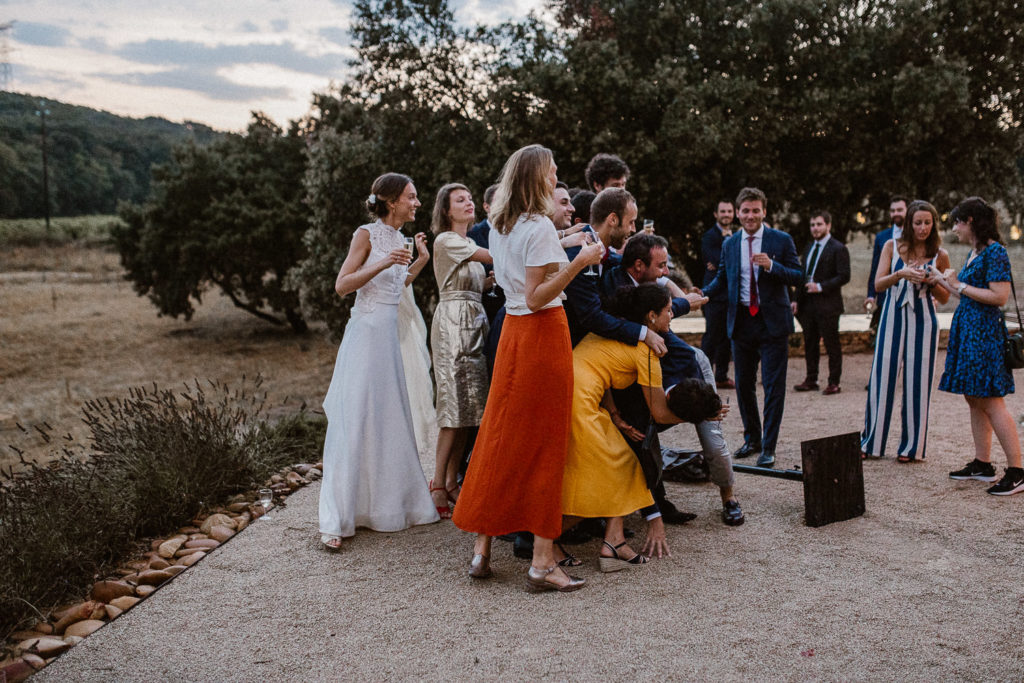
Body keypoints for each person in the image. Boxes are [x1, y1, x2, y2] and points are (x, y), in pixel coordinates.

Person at [451, 144, 603, 593]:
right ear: (538, 178)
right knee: (544, 443)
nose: (557, 177)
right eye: (553, 172)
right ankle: (541, 561)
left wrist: (565, 241)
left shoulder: (502, 224)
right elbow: (539, 295)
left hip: (513, 334)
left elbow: (522, 265)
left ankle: (482, 549)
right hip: (540, 331)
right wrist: (579, 261)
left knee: (501, 435)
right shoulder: (536, 226)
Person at [562, 284, 725, 570]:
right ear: (651, 316)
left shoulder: (624, 329)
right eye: (668, 310)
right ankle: (543, 538)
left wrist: (613, 413)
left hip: (578, 389)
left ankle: (613, 543)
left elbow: (600, 366)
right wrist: (699, 417)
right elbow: (660, 413)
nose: (672, 314)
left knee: (620, 465)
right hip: (579, 398)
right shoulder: (648, 350)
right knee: (621, 467)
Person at [318, 173, 440, 551]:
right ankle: (338, 518)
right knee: (355, 417)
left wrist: (419, 260)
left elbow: (396, 285)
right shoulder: (366, 235)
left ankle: (387, 507)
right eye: (411, 197)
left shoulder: (400, 239)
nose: (417, 203)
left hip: (387, 339)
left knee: (387, 417)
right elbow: (343, 285)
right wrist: (385, 260)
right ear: (391, 201)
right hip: (366, 334)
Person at [605, 234, 744, 526]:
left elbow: (667, 411)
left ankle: (729, 497)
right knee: (643, 434)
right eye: (662, 265)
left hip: (691, 374)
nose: (666, 271)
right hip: (650, 376)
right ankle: (654, 505)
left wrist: (707, 409)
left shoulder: (681, 356)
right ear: (639, 266)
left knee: (712, 435)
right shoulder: (621, 287)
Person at [702, 187, 803, 468]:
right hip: (742, 321)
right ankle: (752, 439)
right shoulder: (730, 244)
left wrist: (772, 266)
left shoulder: (780, 240)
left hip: (773, 323)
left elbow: (797, 276)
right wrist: (703, 295)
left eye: (755, 210)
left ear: (764, 212)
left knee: (773, 386)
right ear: (737, 213)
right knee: (744, 386)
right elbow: (722, 278)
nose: (750, 215)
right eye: (745, 210)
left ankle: (768, 447)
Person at [933, 197, 1023, 495]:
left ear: (970, 221)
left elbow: (998, 297)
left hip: (984, 335)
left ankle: (1018, 470)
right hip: (969, 331)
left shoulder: (995, 252)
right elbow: (967, 294)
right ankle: (983, 464)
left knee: (991, 399)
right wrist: (941, 280)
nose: (954, 228)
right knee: (973, 396)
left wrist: (957, 285)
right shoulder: (976, 252)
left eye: (957, 222)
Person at [861, 200, 950, 462]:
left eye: (927, 223)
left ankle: (912, 448)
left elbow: (945, 298)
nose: (922, 228)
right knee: (882, 379)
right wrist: (899, 274)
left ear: (934, 225)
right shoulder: (892, 246)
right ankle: (870, 443)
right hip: (891, 318)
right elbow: (878, 284)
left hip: (924, 321)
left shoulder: (940, 254)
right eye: (918, 222)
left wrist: (932, 281)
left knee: (918, 384)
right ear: (909, 223)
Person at [428, 183, 492, 518]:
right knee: (453, 406)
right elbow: (493, 257)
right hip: (453, 324)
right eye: (460, 200)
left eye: (469, 198)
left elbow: (479, 280)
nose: (468, 203)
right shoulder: (446, 240)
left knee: (471, 408)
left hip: (476, 324)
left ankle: (452, 481)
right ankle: (438, 483)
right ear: (446, 210)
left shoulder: (470, 243)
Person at [792, 210, 851, 395]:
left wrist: (821, 286)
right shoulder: (809, 247)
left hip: (828, 304)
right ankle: (811, 378)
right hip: (808, 305)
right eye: (812, 225)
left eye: (819, 224)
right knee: (809, 343)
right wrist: (795, 300)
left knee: (832, 344)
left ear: (828, 225)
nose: (815, 228)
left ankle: (834, 381)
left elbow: (844, 275)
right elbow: (802, 275)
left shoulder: (838, 248)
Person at [701, 200, 735, 388]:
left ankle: (721, 376)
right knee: (712, 336)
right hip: (714, 295)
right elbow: (714, 258)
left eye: (729, 211)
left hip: (731, 295)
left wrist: (721, 263)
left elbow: (726, 262)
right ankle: (703, 376)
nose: (726, 214)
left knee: (727, 338)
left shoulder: (738, 235)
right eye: (723, 211)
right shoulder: (709, 236)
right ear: (716, 214)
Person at [866, 196, 908, 336]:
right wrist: (871, 294)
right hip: (886, 293)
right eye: (893, 210)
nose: (896, 213)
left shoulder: (916, 234)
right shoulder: (882, 237)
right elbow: (875, 267)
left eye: (900, 210)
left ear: (908, 210)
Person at [467, 184, 504, 324]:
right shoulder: (471, 234)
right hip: (483, 312)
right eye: (499, 201)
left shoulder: (515, 233)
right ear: (486, 207)